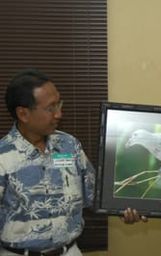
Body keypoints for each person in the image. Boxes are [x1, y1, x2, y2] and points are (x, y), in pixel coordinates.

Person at [0, 69, 146, 256]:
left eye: (59, 104)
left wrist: (125, 209)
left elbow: (96, 195)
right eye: (50, 108)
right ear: (23, 114)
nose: (59, 114)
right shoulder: (3, 157)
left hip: (69, 251)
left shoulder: (70, 145)